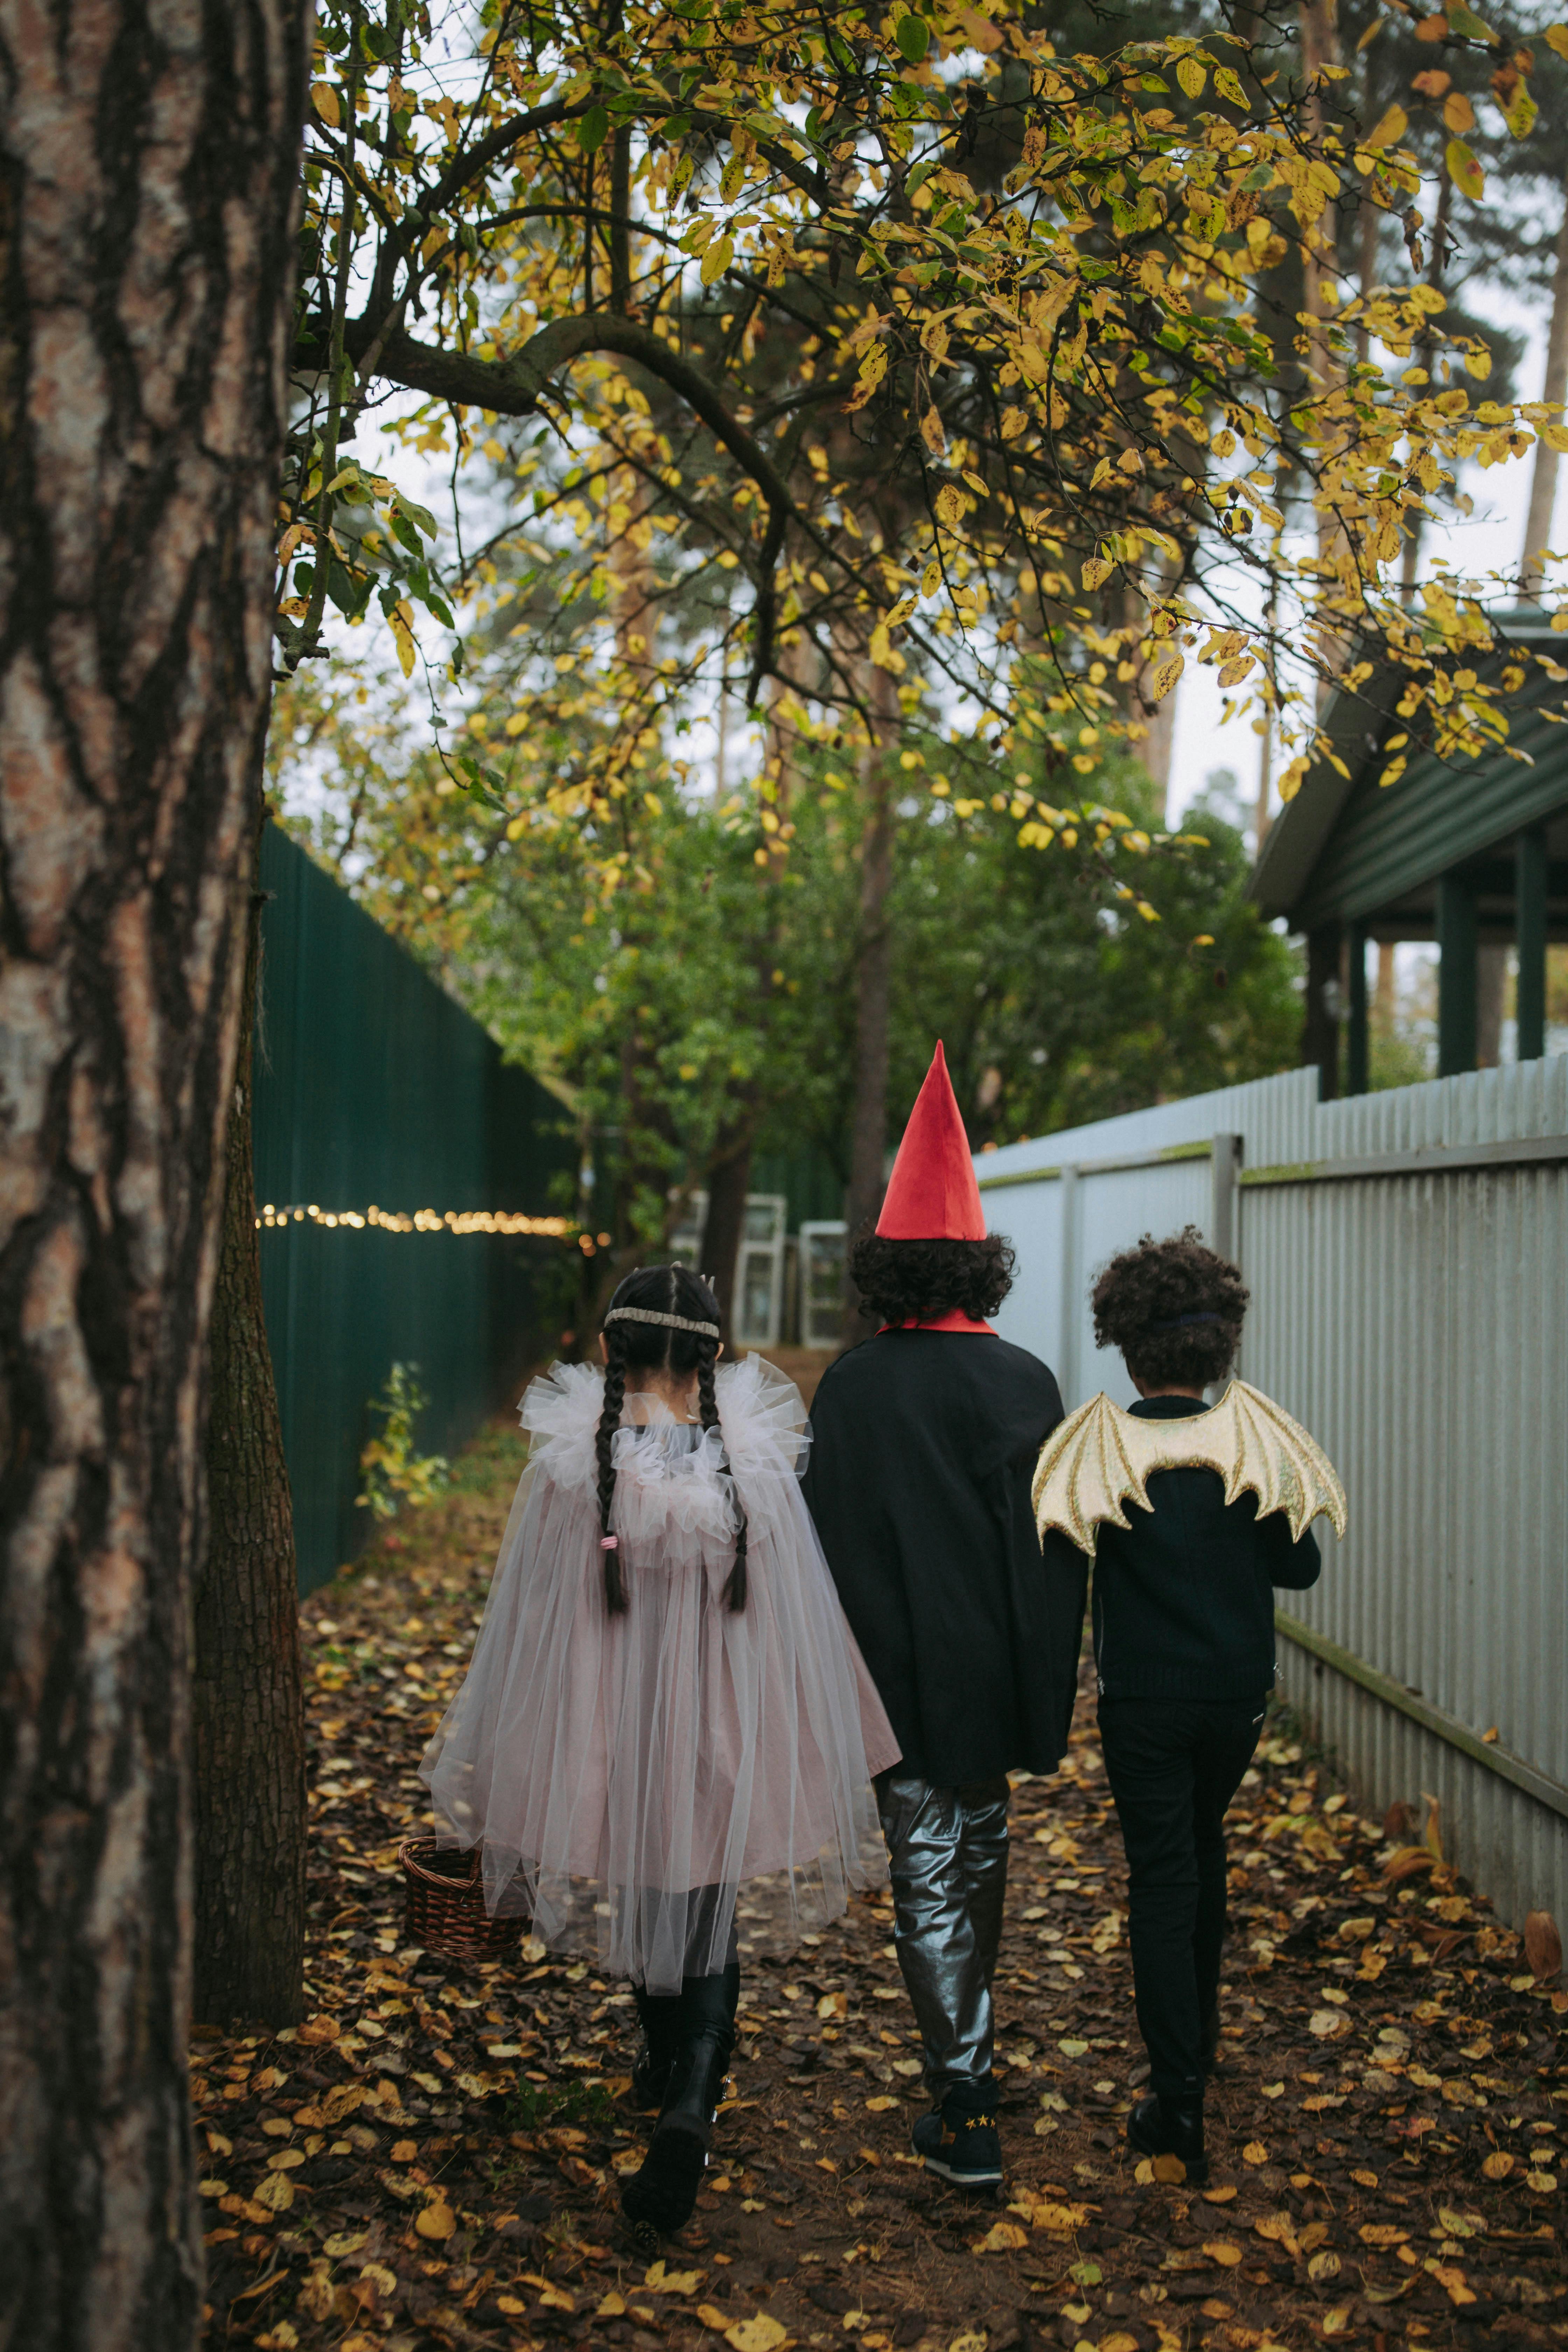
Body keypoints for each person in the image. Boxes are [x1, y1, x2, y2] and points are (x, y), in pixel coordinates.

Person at [420, 1264, 898, 2246]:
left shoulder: (570, 1467)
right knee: (703, 1891)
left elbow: (538, 1613)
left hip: (615, 1721)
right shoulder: (754, 1466)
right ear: (714, 1362)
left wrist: (523, 1727)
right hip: (721, 1720)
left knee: (650, 1877)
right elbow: (790, 1609)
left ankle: (662, 2064)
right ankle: (688, 2096)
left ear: (608, 1354)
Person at [802, 1043, 1083, 2191]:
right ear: (981, 1263)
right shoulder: (1026, 1383)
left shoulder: (856, 1386)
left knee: (928, 1874)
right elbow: (1056, 1551)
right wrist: (1043, 1684)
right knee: (980, 1856)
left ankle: (964, 2099)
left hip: (894, 1673)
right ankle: (966, 2053)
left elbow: (822, 1546)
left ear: (886, 1274)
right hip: (995, 1667)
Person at [1034, 1226, 1345, 2185]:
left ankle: (1177, 2098)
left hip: (1144, 1706)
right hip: (1238, 1703)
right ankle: (1198, 2045)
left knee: (1164, 1874)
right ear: (1221, 1349)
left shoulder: (1106, 1451)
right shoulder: (1248, 1448)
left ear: (1126, 1344)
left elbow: (1065, 1572)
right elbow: (1302, 1564)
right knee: (1203, 1849)